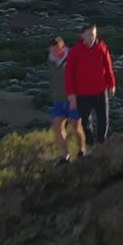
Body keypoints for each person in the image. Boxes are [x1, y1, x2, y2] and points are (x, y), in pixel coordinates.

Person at [65, 24, 116, 149]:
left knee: (103, 119)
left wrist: (112, 85)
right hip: (83, 93)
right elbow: (69, 74)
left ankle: (101, 143)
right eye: (89, 34)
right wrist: (71, 94)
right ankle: (90, 143)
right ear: (82, 35)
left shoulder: (102, 47)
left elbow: (108, 67)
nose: (92, 37)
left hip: (100, 90)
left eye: (93, 34)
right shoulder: (75, 51)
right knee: (85, 122)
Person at [47, 36, 85, 165]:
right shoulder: (51, 60)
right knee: (57, 126)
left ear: (63, 47)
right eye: (52, 51)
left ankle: (82, 151)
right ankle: (65, 156)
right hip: (58, 100)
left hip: (73, 99)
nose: (55, 53)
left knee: (76, 126)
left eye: (57, 50)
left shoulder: (72, 58)